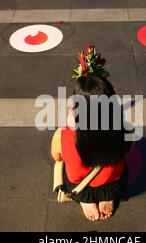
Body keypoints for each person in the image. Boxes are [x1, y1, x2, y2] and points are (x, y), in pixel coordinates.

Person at [50, 46, 133, 221]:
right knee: (117, 173)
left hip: (81, 186)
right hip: (113, 183)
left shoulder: (62, 136)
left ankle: (86, 200)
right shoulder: (125, 131)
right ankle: (107, 196)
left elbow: (57, 158)